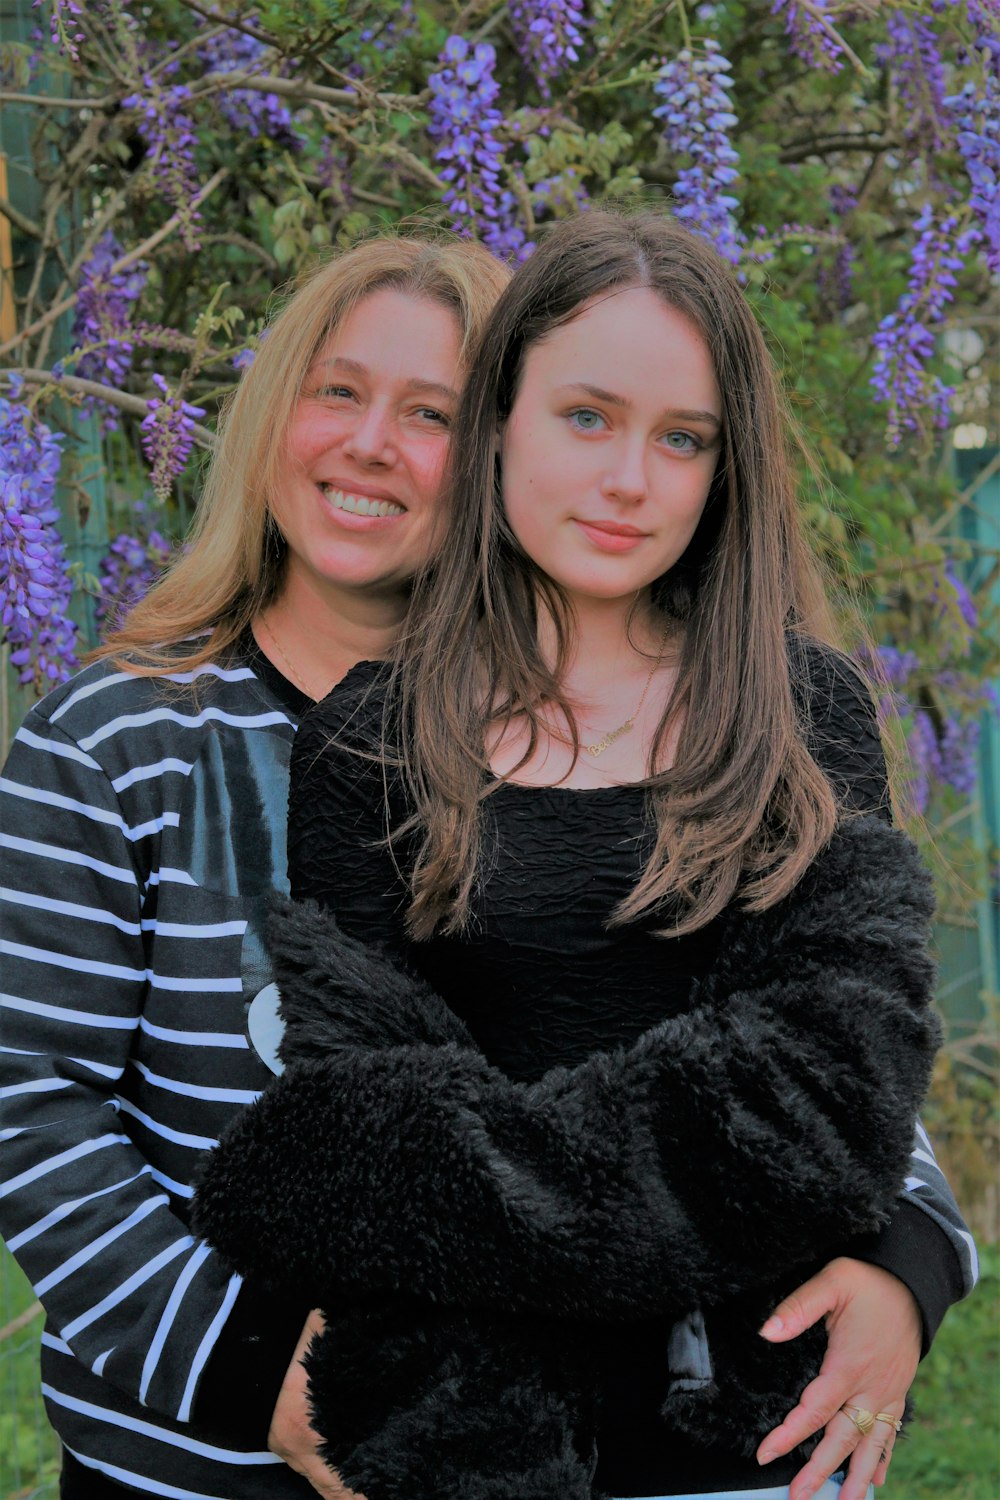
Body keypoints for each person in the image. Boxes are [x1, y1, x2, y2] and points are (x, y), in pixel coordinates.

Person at [192, 209, 978, 1500]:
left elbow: (841, 1089)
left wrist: (910, 1257)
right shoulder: (374, 742)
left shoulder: (800, 715)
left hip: (759, 1443)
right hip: (481, 1446)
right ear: (499, 416)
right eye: (587, 418)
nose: (631, 480)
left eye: (683, 441)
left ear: (727, 471)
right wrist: (711, 1174)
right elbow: (374, 1151)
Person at [0, 232, 510, 1500]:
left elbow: (778, 1022)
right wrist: (263, 1376)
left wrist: (901, 1252)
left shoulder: (585, 739)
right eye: (336, 390)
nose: (370, 442)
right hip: (188, 1465)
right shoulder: (114, 739)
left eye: (432, 413)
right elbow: (29, 1101)